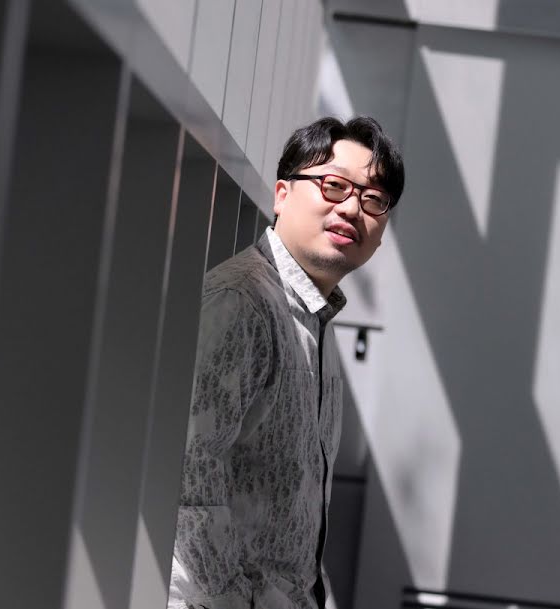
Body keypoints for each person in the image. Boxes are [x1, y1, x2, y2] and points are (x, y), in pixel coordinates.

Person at [168, 116, 405, 609]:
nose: (352, 208)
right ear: (282, 194)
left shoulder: (315, 318)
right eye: (334, 185)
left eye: (374, 199)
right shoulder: (241, 303)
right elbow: (188, 483)